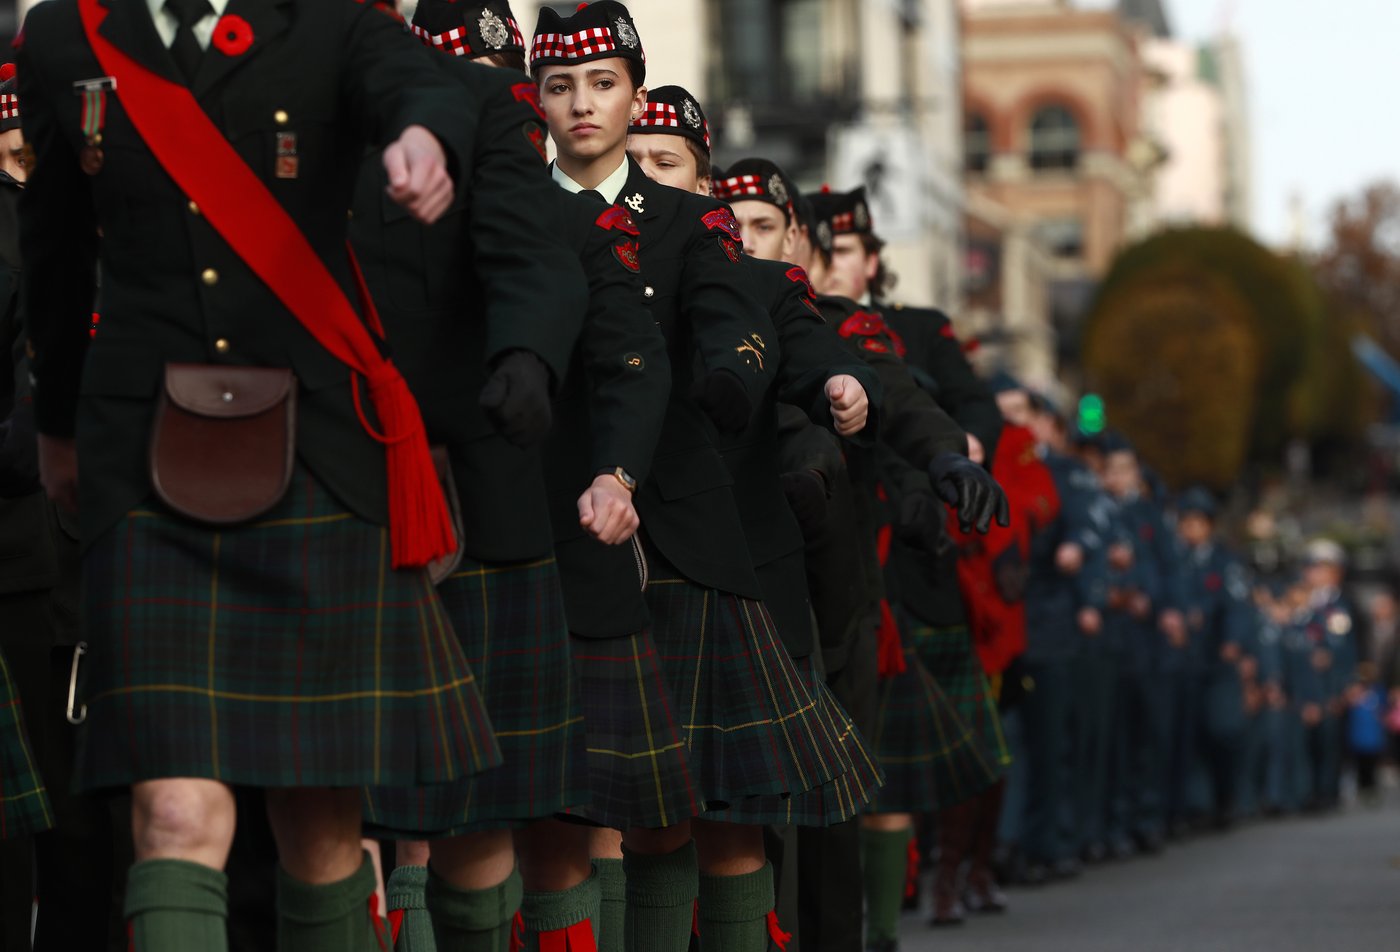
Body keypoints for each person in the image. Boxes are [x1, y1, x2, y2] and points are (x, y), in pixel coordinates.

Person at [18, 1, 502, 948]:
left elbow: (424, 82)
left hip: (317, 452)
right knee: (172, 814)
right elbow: (55, 243)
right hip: (146, 460)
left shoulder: (329, 21)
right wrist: (57, 424)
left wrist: (422, 139)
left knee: (320, 826)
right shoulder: (63, 35)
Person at [530, 7, 858, 949]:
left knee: (697, 813)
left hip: (678, 530)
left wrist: (731, 374)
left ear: (636, 95)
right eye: (560, 86)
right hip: (546, 519)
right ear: (538, 99)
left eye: (602, 84)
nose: (583, 105)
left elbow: (736, 323)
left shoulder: (688, 219)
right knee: (556, 815)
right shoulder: (513, 204)